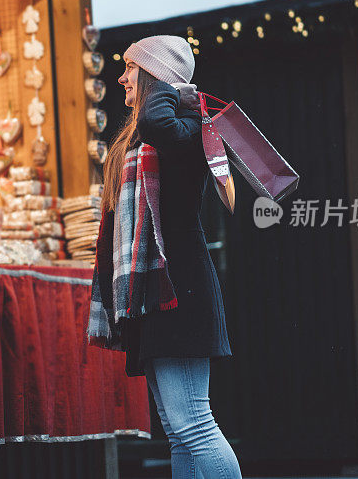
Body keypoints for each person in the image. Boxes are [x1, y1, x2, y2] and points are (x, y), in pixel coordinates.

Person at [96, 35, 243, 479]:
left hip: (178, 290)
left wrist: (164, 88)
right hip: (159, 294)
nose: (121, 77)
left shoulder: (181, 127)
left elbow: (160, 122)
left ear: (155, 76)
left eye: (131, 68)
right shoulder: (157, 133)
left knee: (194, 424)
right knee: (179, 432)